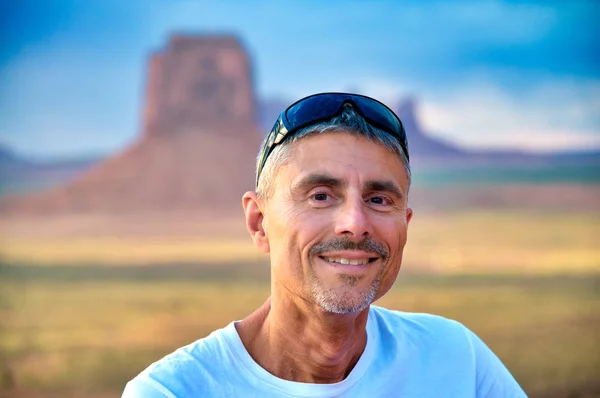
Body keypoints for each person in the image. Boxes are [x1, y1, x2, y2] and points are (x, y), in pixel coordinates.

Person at [122, 92, 526, 397]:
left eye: (379, 199)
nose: (355, 223)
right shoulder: (176, 391)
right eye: (320, 195)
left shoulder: (456, 360)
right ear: (259, 222)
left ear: (404, 226)